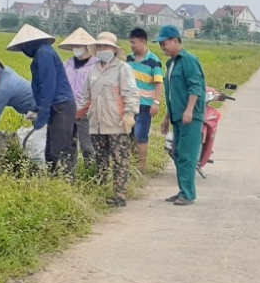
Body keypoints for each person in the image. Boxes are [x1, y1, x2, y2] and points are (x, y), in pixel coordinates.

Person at [76, 32, 141, 207]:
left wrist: (129, 114)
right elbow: (86, 98)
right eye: (99, 47)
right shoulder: (93, 70)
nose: (102, 49)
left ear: (113, 49)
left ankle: (120, 195)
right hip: (96, 124)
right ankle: (102, 192)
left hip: (117, 124)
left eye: (106, 46)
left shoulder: (122, 68)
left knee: (120, 161)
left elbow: (131, 94)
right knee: (101, 160)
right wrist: (78, 114)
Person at [6, 24, 76, 178]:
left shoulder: (44, 53)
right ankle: (56, 185)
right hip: (56, 105)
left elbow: (48, 84)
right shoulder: (43, 53)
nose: (24, 50)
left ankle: (66, 187)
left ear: (29, 44)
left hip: (60, 105)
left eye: (24, 46)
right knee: (51, 151)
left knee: (59, 151)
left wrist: (43, 111)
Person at [156, 25, 206, 206]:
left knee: (187, 155)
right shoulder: (171, 64)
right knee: (177, 153)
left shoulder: (189, 60)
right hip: (177, 116)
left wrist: (190, 110)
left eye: (165, 43)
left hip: (190, 117)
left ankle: (188, 194)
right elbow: (173, 95)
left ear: (176, 41)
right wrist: (167, 117)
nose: (162, 47)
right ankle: (182, 190)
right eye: (160, 44)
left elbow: (195, 87)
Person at [125, 27, 164, 173]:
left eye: (133, 43)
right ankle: (129, 166)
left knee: (141, 136)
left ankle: (141, 169)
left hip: (145, 105)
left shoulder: (154, 61)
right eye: (130, 43)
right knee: (128, 135)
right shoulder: (128, 59)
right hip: (129, 104)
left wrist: (156, 102)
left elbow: (159, 83)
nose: (132, 46)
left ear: (143, 41)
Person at [59, 27, 98, 165]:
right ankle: (71, 176)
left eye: (79, 45)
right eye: (74, 46)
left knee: (87, 146)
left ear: (87, 46)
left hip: (87, 110)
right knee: (69, 146)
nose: (76, 48)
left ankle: (93, 174)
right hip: (68, 109)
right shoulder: (66, 65)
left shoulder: (96, 65)